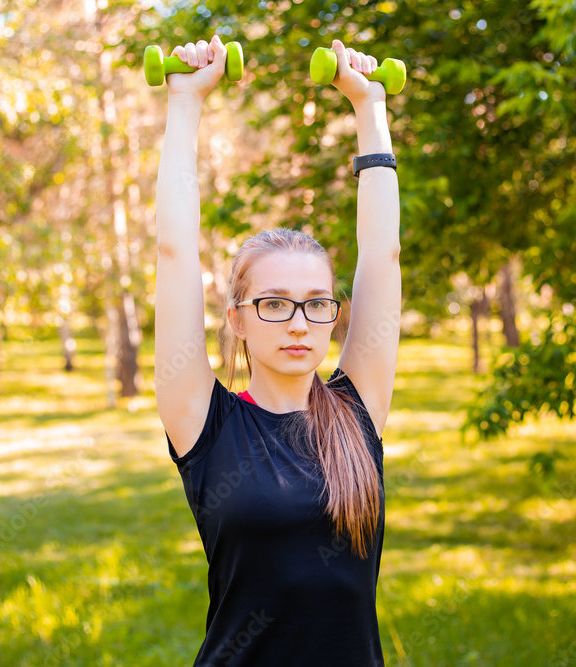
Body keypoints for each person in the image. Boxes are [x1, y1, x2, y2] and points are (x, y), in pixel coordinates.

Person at [154, 32, 401, 666]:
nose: (298, 323)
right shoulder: (206, 424)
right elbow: (174, 253)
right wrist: (185, 102)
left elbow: (383, 254)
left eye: (317, 303)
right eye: (273, 304)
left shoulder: (358, 411)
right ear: (237, 319)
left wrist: (370, 107)